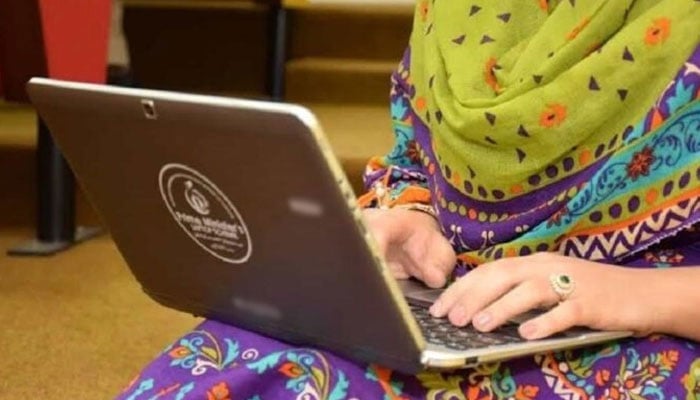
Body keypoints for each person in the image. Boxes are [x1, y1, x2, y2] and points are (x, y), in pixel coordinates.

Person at [117, 1, 700, 398]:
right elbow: (415, 155)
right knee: (240, 371)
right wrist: (412, 214)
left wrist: (621, 292)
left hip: (652, 316)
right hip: (460, 301)